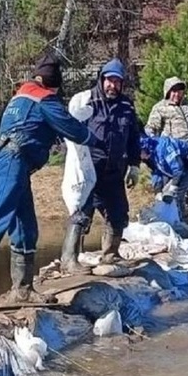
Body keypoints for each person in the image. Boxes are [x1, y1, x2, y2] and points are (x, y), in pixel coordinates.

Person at [0, 53, 100, 306]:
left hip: (10, 160)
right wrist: (95, 140)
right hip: (12, 160)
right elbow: (70, 127)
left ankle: (23, 288)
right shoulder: (43, 99)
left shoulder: (20, 96)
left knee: (25, 226)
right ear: (53, 84)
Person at [60, 58, 141, 274]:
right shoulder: (86, 101)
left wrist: (134, 165)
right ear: (101, 79)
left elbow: (134, 137)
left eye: (117, 81)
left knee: (118, 214)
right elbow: (69, 131)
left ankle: (111, 255)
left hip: (114, 171)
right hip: (88, 170)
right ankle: (69, 259)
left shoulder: (126, 106)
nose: (112, 86)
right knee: (80, 213)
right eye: (109, 80)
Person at [138, 135, 188, 227]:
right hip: (176, 170)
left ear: (144, 148)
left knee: (176, 196)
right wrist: (158, 191)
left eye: (139, 154)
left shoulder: (164, 147)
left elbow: (178, 168)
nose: (141, 158)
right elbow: (156, 172)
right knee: (165, 195)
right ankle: (173, 222)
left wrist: (173, 187)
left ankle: (185, 227)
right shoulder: (150, 154)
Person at [144, 77, 188, 147]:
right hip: (174, 151)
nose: (177, 94)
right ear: (168, 92)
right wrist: (158, 145)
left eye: (179, 91)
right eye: (174, 91)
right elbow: (150, 128)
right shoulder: (160, 108)